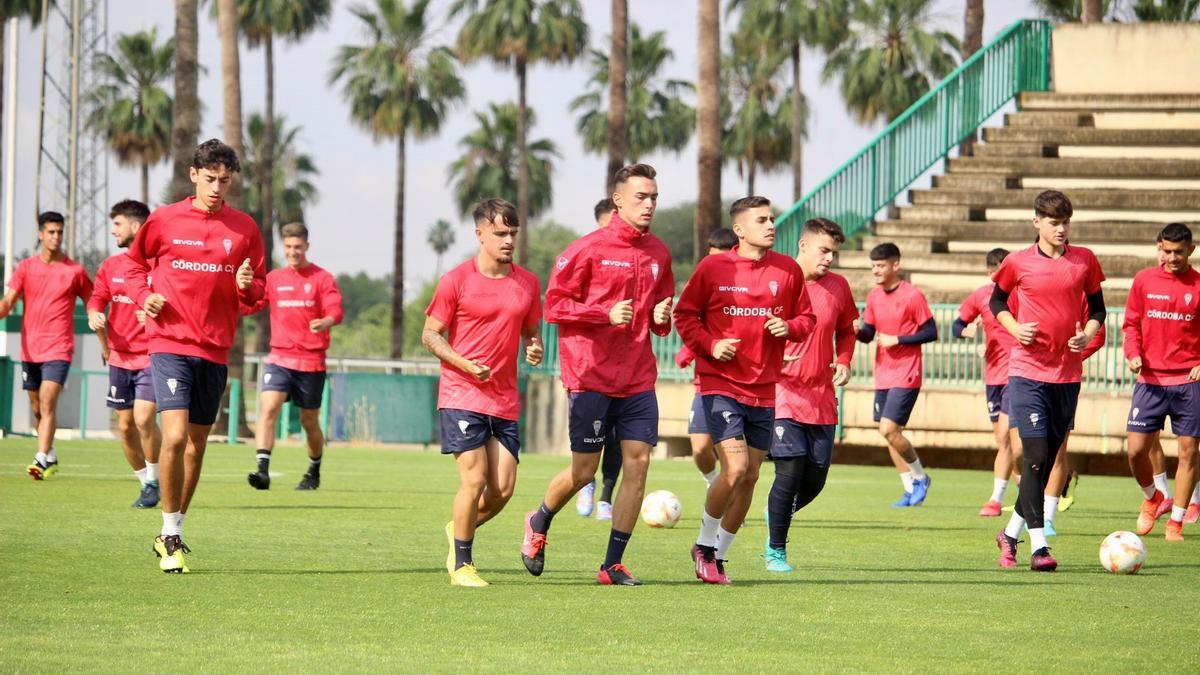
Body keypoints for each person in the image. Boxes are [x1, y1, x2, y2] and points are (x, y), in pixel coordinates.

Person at [522, 163, 674, 586]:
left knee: (638, 464)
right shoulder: (587, 248)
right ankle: (538, 521)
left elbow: (660, 318)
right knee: (584, 472)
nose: (649, 204)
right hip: (589, 374)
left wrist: (663, 316)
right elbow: (554, 306)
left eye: (654, 197)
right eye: (641, 196)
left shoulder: (659, 252)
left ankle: (612, 564)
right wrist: (602, 314)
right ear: (619, 200)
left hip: (639, 377)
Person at [125, 139, 267, 574]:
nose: (217, 188)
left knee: (196, 445)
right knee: (173, 436)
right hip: (169, 343)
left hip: (215, 349)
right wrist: (144, 294)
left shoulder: (245, 229)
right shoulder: (164, 219)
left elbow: (257, 295)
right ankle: (169, 533)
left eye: (225, 181)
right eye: (210, 179)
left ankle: (176, 528)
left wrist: (245, 284)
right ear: (193, 175)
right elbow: (134, 267)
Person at [675, 195, 814, 585]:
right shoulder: (713, 267)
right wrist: (710, 345)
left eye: (772, 219)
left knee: (751, 476)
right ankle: (703, 545)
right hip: (720, 384)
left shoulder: (787, 271)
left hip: (764, 387)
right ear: (739, 229)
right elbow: (685, 315)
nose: (771, 225)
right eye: (762, 220)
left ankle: (720, 556)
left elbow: (807, 317)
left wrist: (790, 328)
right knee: (734, 469)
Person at [423, 198, 543, 587]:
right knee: (473, 482)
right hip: (461, 393)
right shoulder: (455, 281)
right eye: (500, 233)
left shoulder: (528, 283)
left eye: (513, 233)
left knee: (503, 489)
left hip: (504, 398)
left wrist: (535, 346)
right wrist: (465, 364)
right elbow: (430, 334)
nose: (508, 240)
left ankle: (458, 527)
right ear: (480, 235)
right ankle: (461, 566)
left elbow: (531, 332)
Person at [991, 189, 1105, 572]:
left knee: (1045, 461)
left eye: (1065, 222)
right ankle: (1039, 547)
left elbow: (1100, 310)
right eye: (1054, 222)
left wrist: (1087, 335)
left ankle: (1009, 535)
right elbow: (996, 302)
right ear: (1036, 221)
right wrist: (1014, 327)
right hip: (1027, 373)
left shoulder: (1084, 261)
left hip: (1067, 375)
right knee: (1035, 457)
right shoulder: (1017, 262)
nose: (1061, 229)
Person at [764, 217, 855, 573]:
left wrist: (844, 360)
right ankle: (776, 550)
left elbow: (846, 329)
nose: (829, 258)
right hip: (781, 394)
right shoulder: (776, 281)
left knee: (815, 480)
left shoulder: (839, 287)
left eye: (833, 252)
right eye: (824, 250)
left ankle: (775, 514)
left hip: (822, 399)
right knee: (789, 472)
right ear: (803, 246)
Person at [242, 222, 343, 491]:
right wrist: (240, 292)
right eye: (288, 247)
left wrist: (326, 321)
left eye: (298, 247)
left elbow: (336, 310)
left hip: (311, 362)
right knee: (269, 407)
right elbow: (252, 304)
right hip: (279, 359)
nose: (293, 252)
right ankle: (262, 471)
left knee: (309, 421)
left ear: (307, 246)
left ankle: (313, 470)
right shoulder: (274, 278)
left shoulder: (322, 278)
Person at [1121, 222, 1200, 541]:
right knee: (1135, 450)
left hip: (1188, 381)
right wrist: (1133, 353)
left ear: (1190, 251)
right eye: (1166, 251)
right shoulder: (1144, 280)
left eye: (1178, 252)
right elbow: (1131, 325)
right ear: (1159, 248)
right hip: (1150, 381)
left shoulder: (1197, 284)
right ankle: (1153, 497)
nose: (1172, 257)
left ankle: (1176, 522)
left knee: (1188, 452)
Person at [0, 211, 93, 480]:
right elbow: (8, 303)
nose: (56, 237)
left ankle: (40, 458)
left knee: (47, 400)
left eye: (60, 232)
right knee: (37, 407)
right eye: (51, 232)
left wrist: (101, 325)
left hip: (59, 348)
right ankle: (49, 452)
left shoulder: (74, 271)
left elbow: (93, 302)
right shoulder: (26, 268)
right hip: (31, 349)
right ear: (41, 234)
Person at [87, 200, 161, 507]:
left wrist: (156, 316)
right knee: (126, 426)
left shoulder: (160, 264)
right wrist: (93, 314)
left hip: (152, 355)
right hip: (119, 358)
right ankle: (147, 484)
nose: (113, 230)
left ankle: (156, 478)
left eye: (117, 223)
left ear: (134, 225)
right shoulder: (110, 266)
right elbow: (96, 299)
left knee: (144, 418)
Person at [856, 243, 936, 507]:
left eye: (880, 266)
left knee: (888, 429)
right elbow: (868, 335)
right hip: (883, 374)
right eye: (873, 266)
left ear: (895, 265)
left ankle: (921, 477)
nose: (876, 271)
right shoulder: (874, 296)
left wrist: (898, 339)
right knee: (889, 433)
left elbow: (931, 331)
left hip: (906, 373)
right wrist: (857, 329)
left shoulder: (912, 295)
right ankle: (909, 488)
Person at [954, 248, 1016, 517]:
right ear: (990, 272)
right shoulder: (981, 295)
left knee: (1005, 437)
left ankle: (995, 500)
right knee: (1004, 441)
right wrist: (966, 332)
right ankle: (1047, 482)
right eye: (998, 272)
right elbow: (957, 324)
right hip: (992, 376)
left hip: (1018, 373)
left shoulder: (1023, 293)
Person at [675, 227, 740, 487]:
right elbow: (692, 320)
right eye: (711, 258)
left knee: (733, 454)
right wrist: (690, 350)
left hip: (741, 384)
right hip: (707, 382)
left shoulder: (745, 290)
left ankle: (728, 498)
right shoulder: (703, 284)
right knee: (701, 448)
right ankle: (713, 482)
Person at [576, 197, 624, 521]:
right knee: (590, 437)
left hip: (625, 367)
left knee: (619, 437)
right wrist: (604, 315)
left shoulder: (633, 260)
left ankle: (606, 495)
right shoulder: (586, 256)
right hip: (589, 367)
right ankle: (586, 482)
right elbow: (565, 308)